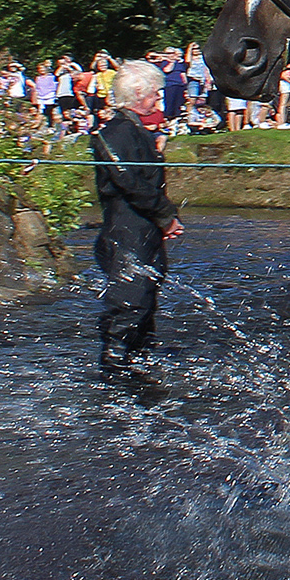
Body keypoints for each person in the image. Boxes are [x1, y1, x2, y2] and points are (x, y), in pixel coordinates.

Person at [89, 60, 184, 369]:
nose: (159, 99)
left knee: (144, 303)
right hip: (126, 232)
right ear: (138, 93)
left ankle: (139, 364)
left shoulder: (135, 131)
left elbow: (142, 180)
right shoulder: (113, 133)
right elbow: (130, 181)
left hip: (142, 231)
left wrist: (163, 217)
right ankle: (114, 371)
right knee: (130, 303)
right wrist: (165, 216)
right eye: (155, 93)